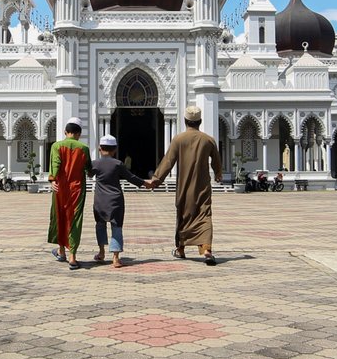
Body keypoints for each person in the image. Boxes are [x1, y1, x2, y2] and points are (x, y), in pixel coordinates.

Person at [151, 105, 223, 266]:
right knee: (204, 216)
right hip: (203, 186)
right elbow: (217, 162)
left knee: (184, 215)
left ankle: (181, 249)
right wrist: (218, 174)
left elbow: (168, 161)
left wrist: (156, 179)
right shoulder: (208, 140)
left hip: (184, 186)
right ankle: (207, 250)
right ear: (200, 121)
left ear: (185, 121)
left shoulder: (178, 139)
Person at [92, 134, 152, 268]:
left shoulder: (95, 163)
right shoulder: (118, 164)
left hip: (100, 200)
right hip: (116, 200)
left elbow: (88, 173)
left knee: (100, 225)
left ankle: (101, 253)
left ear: (100, 148)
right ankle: (115, 258)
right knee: (116, 227)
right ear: (115, 150)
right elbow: (131, 177)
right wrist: (145, 184)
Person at [48, 118, 92, 270]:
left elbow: (56, 164)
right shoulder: (84, 148)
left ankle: (61, 251)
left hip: (60, 188)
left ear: (65, 132)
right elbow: (89, 169)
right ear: (79, 134)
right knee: (74, 220)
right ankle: (72, 256)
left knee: (60, 217)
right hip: (77, 190)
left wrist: (52, 179)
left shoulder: (57, 146)